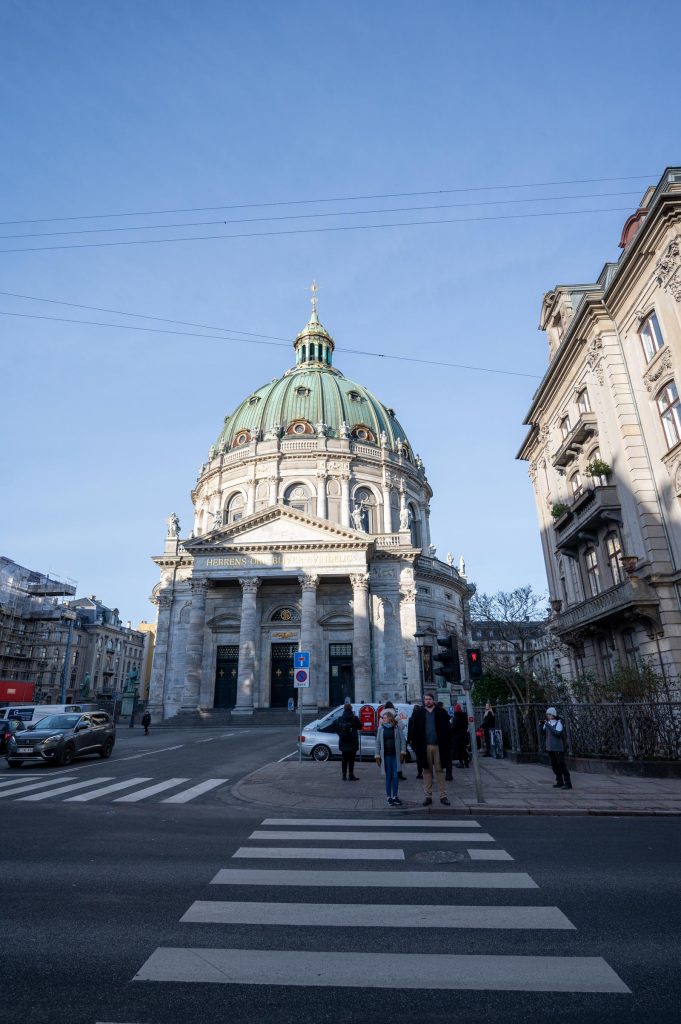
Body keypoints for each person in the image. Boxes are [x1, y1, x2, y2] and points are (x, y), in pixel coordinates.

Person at [409, 692, 451, 806]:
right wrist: (416, 747)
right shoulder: (419, 714)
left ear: (433, 700)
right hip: (425, 747)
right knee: (426, 772)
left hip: (438, 746)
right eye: (426, 699)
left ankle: (443, 796)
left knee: (440, 771)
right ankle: (428, 796)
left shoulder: (441, 712)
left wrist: (448, 745)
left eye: (429, 699)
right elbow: (414, 732)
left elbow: (448, 730)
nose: (427, 701)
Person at [375, 707, 406, 806]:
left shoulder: (397, 727)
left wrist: (403, 752)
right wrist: (377, 755)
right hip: (386, 756)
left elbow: (402, 740)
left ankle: (395, 796)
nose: (383, 719)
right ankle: (388, 797)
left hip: (395, 755)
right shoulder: (381, 728)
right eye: (383, 718)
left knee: (395, 776)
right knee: (388, 776)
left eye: (385, 718)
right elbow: (378, 743)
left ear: (390, 718)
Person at [543, 706, 572, 789]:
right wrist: (541, 725)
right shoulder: (548, 723)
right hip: (550, 748)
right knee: (554, 765)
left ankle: (568, 783)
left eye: (549, 714)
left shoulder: (558, 723)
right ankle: (559, 781)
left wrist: (548, 725)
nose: (547, 716)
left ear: (553, 715)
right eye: (547, 714)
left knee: (561, 764)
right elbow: (543, 733)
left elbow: (557, 733)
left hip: (558, 748)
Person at [335, 698, 361, 780]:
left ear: (344, 709)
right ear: (351, 709)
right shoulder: (355, 718)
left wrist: (342, 735)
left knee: (344, 759)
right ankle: (350, 775)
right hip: (353, 742)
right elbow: (360, 727)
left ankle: (343, 776)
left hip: (343, 742)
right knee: (351, 760)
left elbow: (336, 729)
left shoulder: (340, 719)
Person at [383, 701, 407, 780]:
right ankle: (399, 773)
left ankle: (389, 774)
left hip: (386, 741)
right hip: (396, 739)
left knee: (388, 758)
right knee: (398, 757)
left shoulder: (382, 717)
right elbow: (402, 727)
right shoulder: (396, 716)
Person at [407, 701, 424, 779]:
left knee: (418, 758)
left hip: (415, 741)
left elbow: (409, 731)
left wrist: (409, 740)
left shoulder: (411, 719)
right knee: (424, 757)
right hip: (423, 740)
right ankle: (426, 772)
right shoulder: (423, 717)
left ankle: (420, 773)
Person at [451, 703, 469, 768]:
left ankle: (461, 763)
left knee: (459, 750)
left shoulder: (455, 717)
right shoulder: (464, 716)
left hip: (457, 737)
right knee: (464, 750)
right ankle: (466, 763)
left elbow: (453, 727)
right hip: (464, 735)